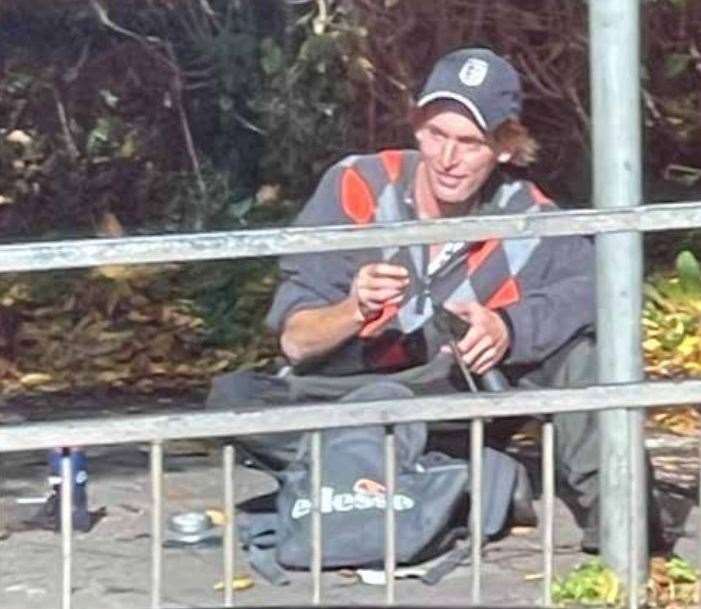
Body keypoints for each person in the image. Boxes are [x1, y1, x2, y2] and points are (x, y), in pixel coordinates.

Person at [208, 48, 664, 553]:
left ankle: (626, 535)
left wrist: (509, 328)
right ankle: (457, 476)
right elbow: (296, 342)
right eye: (436, 134)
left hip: (450, 400)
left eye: (470, 143)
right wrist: (353, 309)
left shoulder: (527, 215)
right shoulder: (355, 184)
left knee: (585, 358)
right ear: (417, 127)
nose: (447, 159)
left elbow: (606, 290)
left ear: (506, 147)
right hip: (354, 393)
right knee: (233, 401)